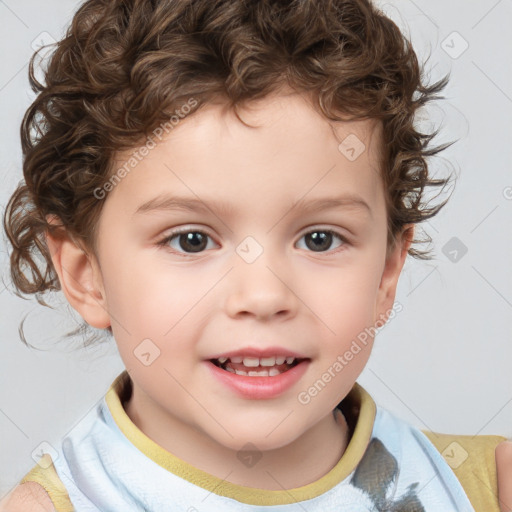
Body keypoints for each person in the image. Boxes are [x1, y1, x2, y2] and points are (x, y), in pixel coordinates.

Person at [0, 0, 509, 510]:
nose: (264, 296)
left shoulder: (491, 488)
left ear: (387, 274)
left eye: (320, 239)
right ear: (86, 274)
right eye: (191, 240)